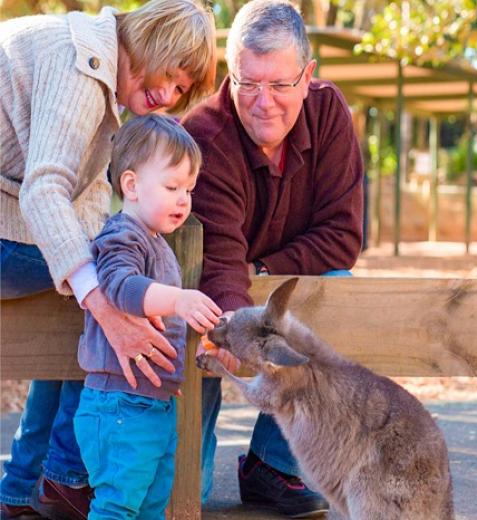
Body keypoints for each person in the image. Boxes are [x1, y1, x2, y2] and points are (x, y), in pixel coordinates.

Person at [0, 1, 216, 518]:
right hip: (13, 218)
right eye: (169, 73)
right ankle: (67, 472)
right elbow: (46, 189)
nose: (168, 95)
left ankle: (36, 478)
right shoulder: (81, 64)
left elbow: (89, 203)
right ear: (148, 43)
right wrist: (108, 303)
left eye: (182, 88)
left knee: (94, 271)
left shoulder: (106, 81)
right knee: (103, 288)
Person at [181, 0, 363, 517]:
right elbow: (218, 264)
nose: (264, 102)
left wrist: (263, 271)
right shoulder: (204, 136)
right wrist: (242, 340)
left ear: (307, 77)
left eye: (280, 85)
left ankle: (272, 463)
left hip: (276, 279)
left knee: (337, 283)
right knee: (184, 492)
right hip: (208, 287)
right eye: (248, 83)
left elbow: (342, 235)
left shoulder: (329, 113)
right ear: (228, 73)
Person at [73, 114, 221, 519]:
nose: (183, 199)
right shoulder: (123, 235)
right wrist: (179, 300)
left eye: (188, 189)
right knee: (118, 506)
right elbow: (121, 288)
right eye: (172, 187)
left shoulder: (157, 243)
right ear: (132, 185)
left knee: (152, 506)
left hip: (152, 405)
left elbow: (162, 322)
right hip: (119, 406)